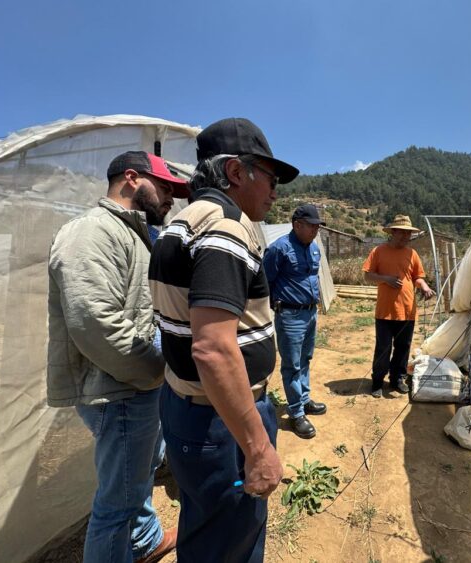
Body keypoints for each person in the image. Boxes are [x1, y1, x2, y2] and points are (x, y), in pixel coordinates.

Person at [149, 118, 299, 562]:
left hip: (189, 406)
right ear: (236, 171)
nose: (275, 193)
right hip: (223, 417)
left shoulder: (181, 223)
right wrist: (257, 447)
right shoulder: (226, 228)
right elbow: (213, 349)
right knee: (232, 540)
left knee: (206, 526)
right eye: (271, 179)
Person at [47, 151, 189, 563]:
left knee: (136, 478)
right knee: (117, 504)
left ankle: (144, 542)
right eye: (164, 187)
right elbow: (94, 321)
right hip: (120, 389)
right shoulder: (92, 231)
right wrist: (154, 370)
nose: (171, 198)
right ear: (131, 178)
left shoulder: (133, 233)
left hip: (132, 384)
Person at [263, 204, 327, 439]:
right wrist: (274, 307)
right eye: (311, 226)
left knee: (305, 359)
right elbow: (265, 281)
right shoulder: (279, 249)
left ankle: (304, 398)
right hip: (290, 315)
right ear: (297, 224)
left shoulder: (314, 249)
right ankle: (296, 412)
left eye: (317, 227)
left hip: (310, 313)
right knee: (292, 365)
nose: (315, 230)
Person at [362, 214, 435, 398]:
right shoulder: (379, 251)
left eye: (408, 233)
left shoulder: (412, 254)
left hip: (407, 310)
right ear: (393, 232)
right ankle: (377, 381)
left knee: (403, 348)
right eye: (402, 232)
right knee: (383, 348)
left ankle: (397, 379)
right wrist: (385, 279)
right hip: (385, 311)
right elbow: (367, 275)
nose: (406, 236)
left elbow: (417, 277)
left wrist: (424, 286)